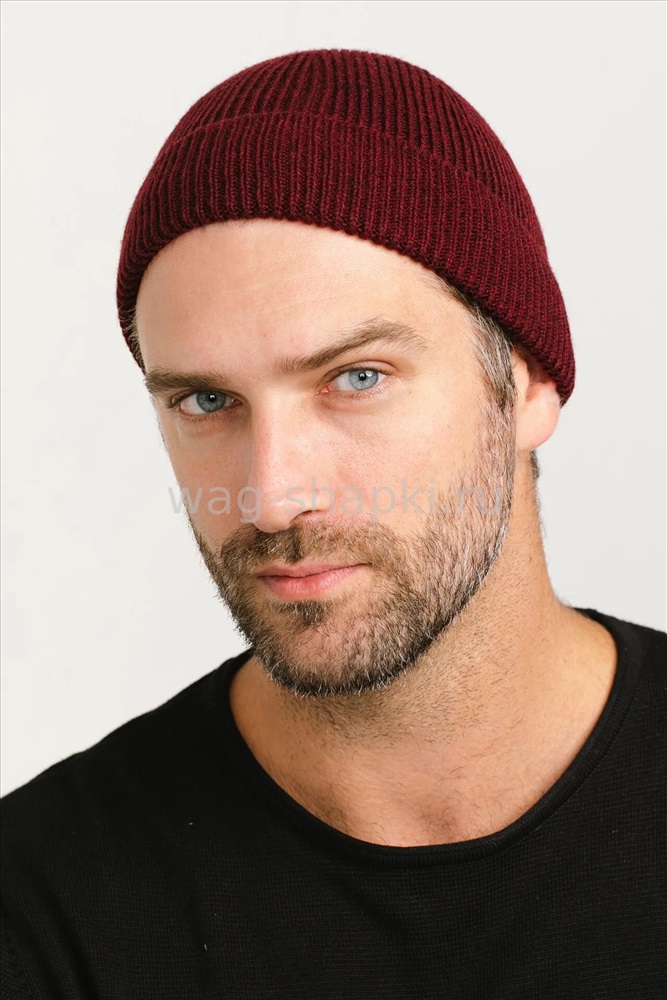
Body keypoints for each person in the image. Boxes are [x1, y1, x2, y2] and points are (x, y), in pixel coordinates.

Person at [2, 48, 665, 1000]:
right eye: (205, 401)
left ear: (526, 382)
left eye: (356, 378)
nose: (271, 499)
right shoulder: (41, 907)